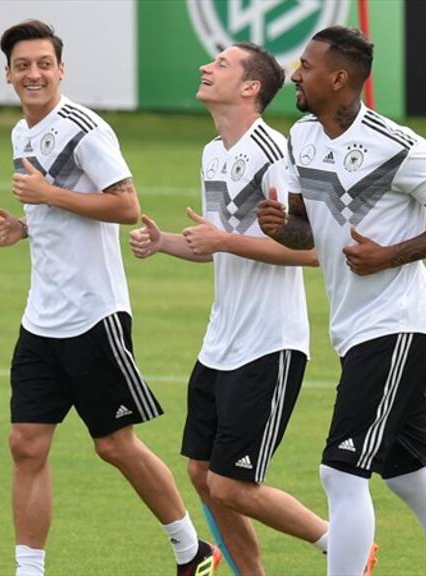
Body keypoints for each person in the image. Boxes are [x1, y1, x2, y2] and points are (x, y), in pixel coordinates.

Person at [129, 42, 372, 576]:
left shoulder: (277, 154)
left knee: (230, 483)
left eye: (220, 64)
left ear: (250, 88)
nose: (204, 67)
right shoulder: (213, 152)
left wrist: (221, 243)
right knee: (200, 472)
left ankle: (342, 545)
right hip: (221, 342)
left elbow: (311, 249)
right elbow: (220, 242)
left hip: (269, 342)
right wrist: (165, 242)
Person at [258, 25, 426, 576]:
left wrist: (391, 255)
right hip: (356, 327)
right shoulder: (302, 138)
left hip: (398, 323)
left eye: (307, 66)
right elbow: (306, 231)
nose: (296, 74)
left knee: (340, 473)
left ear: (339, 79)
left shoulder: (398, 145)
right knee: (410, 473)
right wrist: (279, 226)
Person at [0, 20, 218, 576]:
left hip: (94, 315)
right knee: (25, 443)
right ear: (9, 75)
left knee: (114, 445)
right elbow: (59, 211)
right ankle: (29, 570)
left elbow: (125, 207)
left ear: (61, 69)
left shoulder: (86, 129)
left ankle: (193, 551)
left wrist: (48, 194)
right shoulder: (23, 133)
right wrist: (27, 223)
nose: (34, 74)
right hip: (41, 318)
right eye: (23, 66)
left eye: (44, 63)